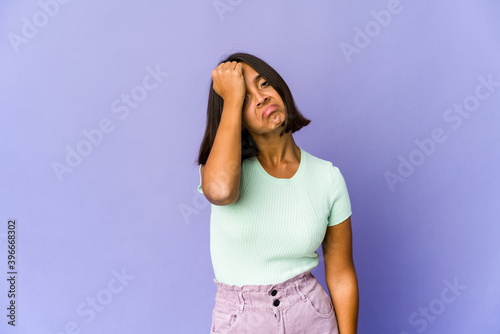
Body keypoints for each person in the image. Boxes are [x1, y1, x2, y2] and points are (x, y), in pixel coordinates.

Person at [195, 52, 358, 334]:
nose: (261, 98)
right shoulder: (222, 172)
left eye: (264, 84)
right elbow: (220, 191)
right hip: (242, 320)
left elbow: (341, 274)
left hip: (311, 315)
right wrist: (231, 98)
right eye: (245, 98)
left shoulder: (327, 177)